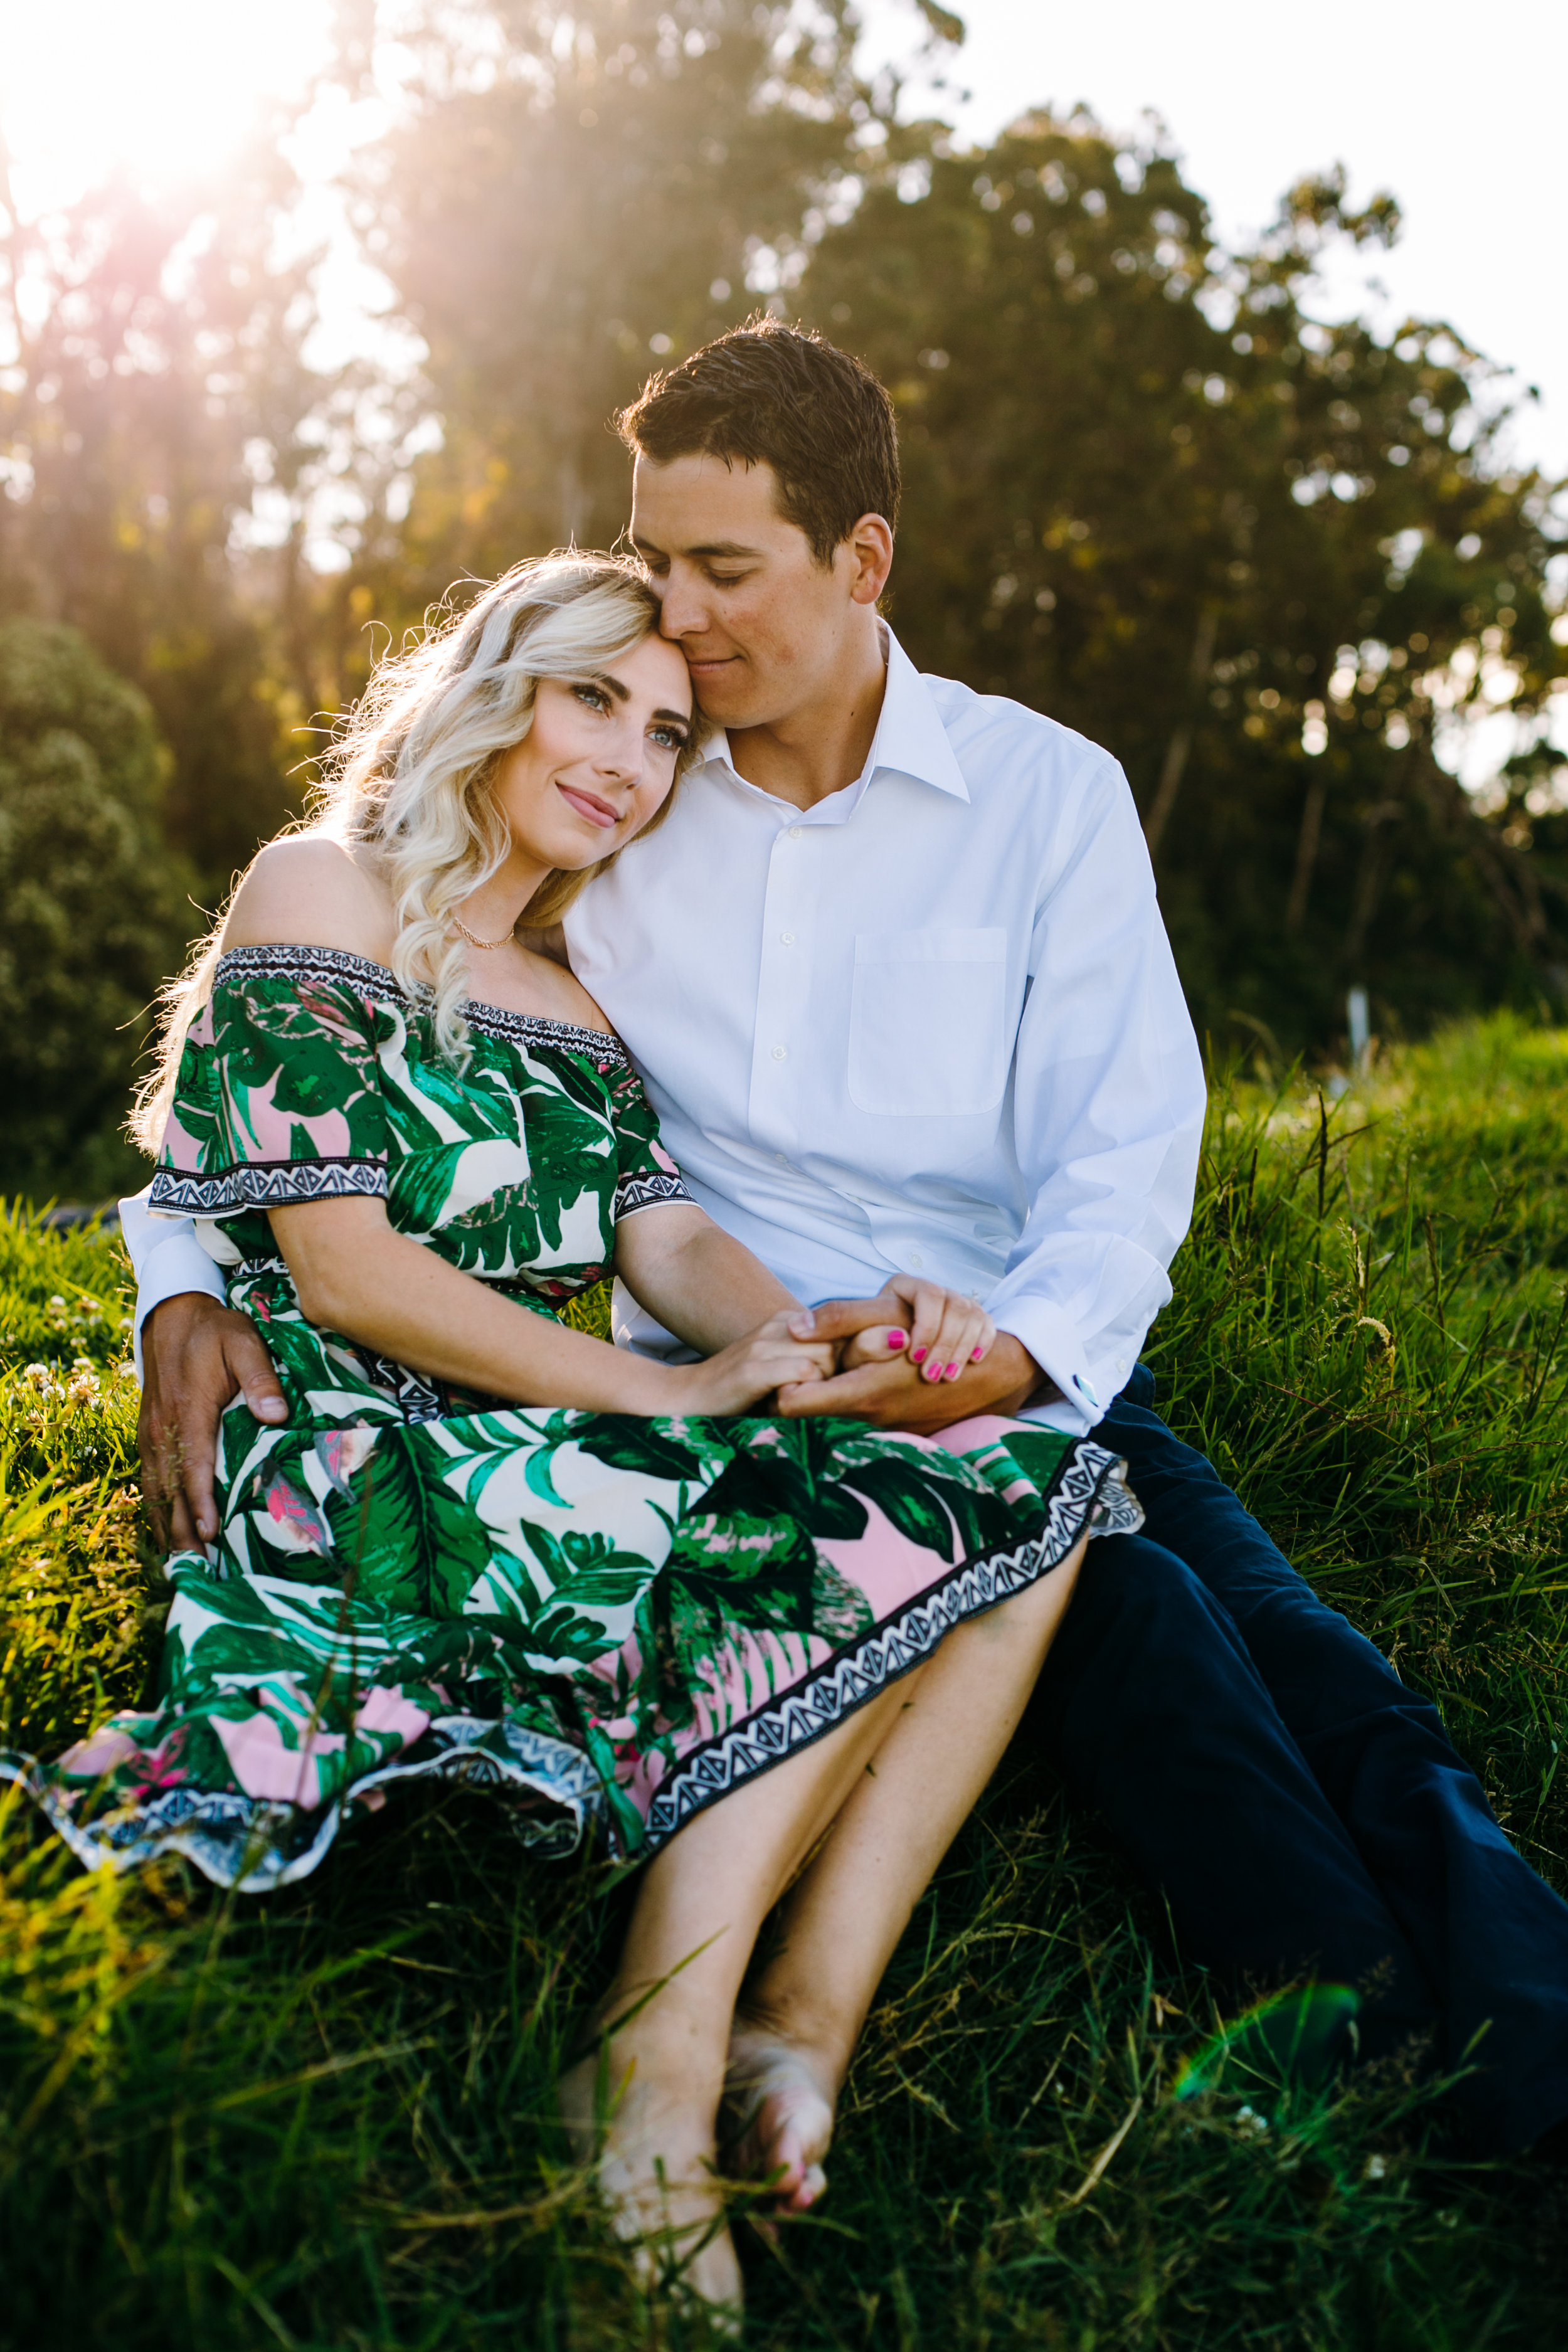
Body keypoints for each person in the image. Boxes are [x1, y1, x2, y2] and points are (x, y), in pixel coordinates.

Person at [126, 326, 1568, 2181]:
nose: (681, 631)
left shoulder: (1041, 798)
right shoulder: (611, 828)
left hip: (1006, 1354)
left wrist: (1015, 1364)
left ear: (859, 561)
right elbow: (310, 1068)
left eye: (724, 574)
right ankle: (1389, 2090)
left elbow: (1127, 1158)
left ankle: (1531, 2030)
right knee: (1157, 1644)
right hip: (774, 1378)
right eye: (655, 576)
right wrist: (175, 1273)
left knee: (1315, 1658)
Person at [3, 551, 1141, 2318]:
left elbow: (666, 1246)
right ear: (497, 684)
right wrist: (674, 1395)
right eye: (592, 695)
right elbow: (350, 1269)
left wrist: (827, 1335)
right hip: (347, 1447)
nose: (628, 752)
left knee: (1032, 1491)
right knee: (854, 1521)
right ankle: (649, 2065)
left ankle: (795, 2020)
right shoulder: (322, 888)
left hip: (530, 1431)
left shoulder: (580, 1004)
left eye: (668, 729)